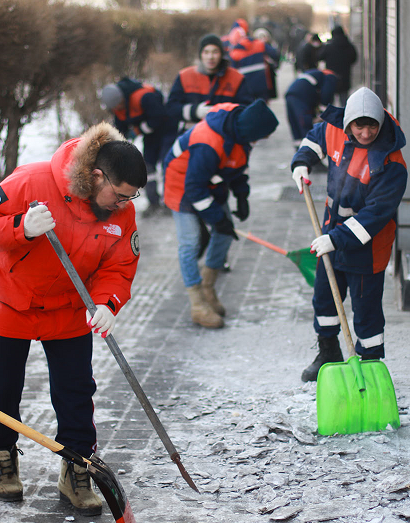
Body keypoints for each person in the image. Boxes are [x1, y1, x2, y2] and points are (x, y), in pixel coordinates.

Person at [0, 123, 147, 515]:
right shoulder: (32, 181)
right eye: (118, 195)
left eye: (130, 199)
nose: (122, 205)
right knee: (2, 389)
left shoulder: (122, 211)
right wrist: (21, 228)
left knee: (76, 391)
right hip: (9, 301)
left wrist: (107, 304)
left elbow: (119, 265)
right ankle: (2, 455)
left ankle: (77, 468)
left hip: (67, 307)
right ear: (97, 175)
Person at [290, 87, 407, 381]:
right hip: (331, 233)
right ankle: (328, 353)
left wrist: (335, 240)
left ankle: (370, 366)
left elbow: (375, 215)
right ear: (348, 124)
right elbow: (314, 139)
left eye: (372, 126)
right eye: (359, 126)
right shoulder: (335, 130)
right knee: (325, 298)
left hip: (367, 248)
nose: (365, 133)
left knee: (366, 311)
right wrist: (301, 162)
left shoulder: (391, 163)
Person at [163, 99, 279, 328]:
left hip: (210, 182)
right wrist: (218, 218)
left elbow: (238, 165)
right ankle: (197, 304)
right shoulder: (208, 143)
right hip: (182, 184)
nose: (262, 140)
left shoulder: (241, 131)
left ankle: (208, 288)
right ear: (251, 132)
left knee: (225, 234)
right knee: (190, 242)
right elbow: (194, 189)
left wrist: (242, 195)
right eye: (262, 136)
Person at [100, 77, 176, 217]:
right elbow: (120, 128)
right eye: (115, 108)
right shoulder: (117, 107)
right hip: (150, 135)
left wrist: (138, 130)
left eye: (119, 106)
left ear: (122, 98)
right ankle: (153, 202)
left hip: (167, 131)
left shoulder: (144, 96)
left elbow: (159, 117)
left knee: (168, 165)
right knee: (148, 166)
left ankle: (170, 202)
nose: (118, 109)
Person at [166, 34, 253, 132]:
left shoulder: (236, 78)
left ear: (221, 54)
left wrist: (221, 114)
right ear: (200, 55)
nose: (210, 57)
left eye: (215, 52)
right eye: (206, 52)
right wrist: (195, 111)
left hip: (225, 137)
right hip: (191, 137)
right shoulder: (184, 76)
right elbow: (171, 108)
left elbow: (246, 109)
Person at [284, 67, 339, 148]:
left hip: (290, 95)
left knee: (295, 125)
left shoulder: (313, 74)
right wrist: (323, 113)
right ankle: (309, 152)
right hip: (301, 97)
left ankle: (299, 151)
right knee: (305, 123)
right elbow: (326, 94)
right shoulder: (330, 77)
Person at [228, 27, 281, 101]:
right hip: (262, 84)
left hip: (246, 87)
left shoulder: (234, 53)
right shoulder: (259, 44)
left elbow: (232, 73)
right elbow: (274, 54)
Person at [320, 25, 358, 106]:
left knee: (330, 102)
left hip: (331, 77)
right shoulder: (349, 45)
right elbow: (354, 58)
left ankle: (332, 118)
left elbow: (320, 56)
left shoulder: (329, 46)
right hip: (345, 77)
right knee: (344, 102)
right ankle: (344, 117)